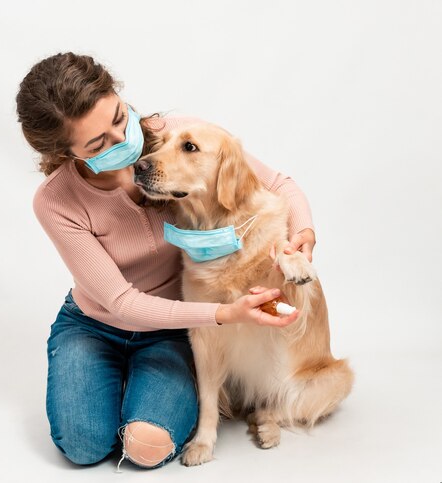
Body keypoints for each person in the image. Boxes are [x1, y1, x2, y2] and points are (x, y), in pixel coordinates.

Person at [16, 52, 316, 469]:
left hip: (172, 328)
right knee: (84, 447)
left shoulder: (178, 138)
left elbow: (280, 184)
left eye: (119, 118)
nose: (122, 141)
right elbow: (122, 303)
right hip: (96, 325)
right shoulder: (55, 201)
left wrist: (303, 235)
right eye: (97, 143)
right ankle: (107, 374)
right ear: (66, 153)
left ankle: (146, 383)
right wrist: (227, 313)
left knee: (146, 449)